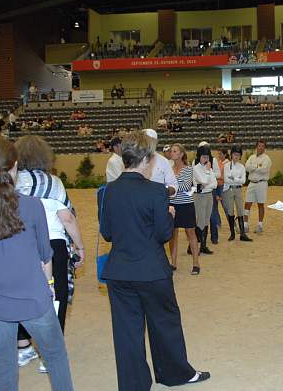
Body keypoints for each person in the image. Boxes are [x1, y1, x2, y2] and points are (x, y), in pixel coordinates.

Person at [0, 138, 74, 390]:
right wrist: (51, 285)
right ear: (15, 166)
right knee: (56, 358)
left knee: (3, 370)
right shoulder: (32, 207)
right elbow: (46, 255)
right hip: (33, 299)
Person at [99, 131, 210, 390]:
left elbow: (107, 232)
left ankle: (133, 384)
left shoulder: (109, 191)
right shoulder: (156, 191)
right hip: (151, 270)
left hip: (120, 271)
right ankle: (174, 374)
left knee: (127, 331)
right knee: (164, 322)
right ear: (147, 159)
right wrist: (169, 214)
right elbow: (162, 234)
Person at [13, 135, 85, 372]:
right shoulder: (53, 182)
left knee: (23, 294)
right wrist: (79, 245)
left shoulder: (10, 182)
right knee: (57, 295)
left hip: (19, 245)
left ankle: (23, 347)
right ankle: (49, 354)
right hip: (52, 244)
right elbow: (67, 218)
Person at [168, 144, 201, 274]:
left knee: (190, 233)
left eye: (175, 151)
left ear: (181, 154)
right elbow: (167, 185)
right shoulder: (169, 169)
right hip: (172, 205)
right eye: (171, 151)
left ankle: (196, 263)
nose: (172, 152)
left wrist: (170, 189)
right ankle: (173, 263)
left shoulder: (188, 169)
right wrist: (171, 188)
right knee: (172, 235)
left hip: (186, 204)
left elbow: (186, 186)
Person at [222, 145, 252, 242]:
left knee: (240, 210)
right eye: (235, 154)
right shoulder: (226, 166)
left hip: (238, 189)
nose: (236, 157)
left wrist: (234, 178)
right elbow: (226, 179)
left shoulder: (242, 167)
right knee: (230, 211)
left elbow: (243, 181)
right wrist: (236, 180)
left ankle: (242, 233)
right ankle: (232, 233)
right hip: (229, 190)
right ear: (231, 155)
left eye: (238, 155)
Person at [193, 144, 218, 255]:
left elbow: (215, 184)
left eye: (207, 157)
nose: (206, 159)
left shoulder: (209, 168)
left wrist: (205, 185)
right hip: (200, 197)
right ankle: (194, 245)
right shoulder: (196, 168)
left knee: (206, 220)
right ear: (199, 157)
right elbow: (203, 180)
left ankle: (203, 245)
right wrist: (207, 175)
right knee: (200, 221)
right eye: (203, 157)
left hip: (208, 195)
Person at [244, 140, 272, 234]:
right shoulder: (251, 157)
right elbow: (246, 167)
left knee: (260, 204)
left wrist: (253, 167)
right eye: (259, 146)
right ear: (256, 147)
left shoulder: (267, 159)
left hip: (261, 183)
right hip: (251, 183)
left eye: (262, 146)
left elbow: (264, 170)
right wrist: (257, 166)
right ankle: (245, 224)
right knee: (247, 203)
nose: (261, 148)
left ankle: (260, 224)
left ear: (265, 148)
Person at [143, 129, 178, 196]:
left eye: (150, 141)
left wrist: (162, 191)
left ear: (155, 142)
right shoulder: (133, 159)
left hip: (157, 201)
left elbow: (173, 185)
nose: (147, 144)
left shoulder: (163, 161)